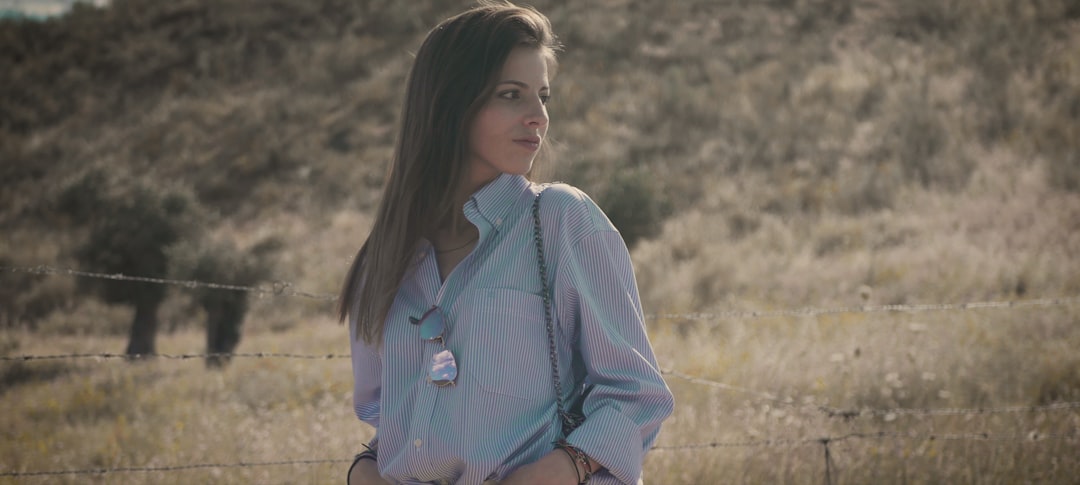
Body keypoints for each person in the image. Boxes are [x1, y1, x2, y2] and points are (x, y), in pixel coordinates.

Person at [338, 2, 674, 484]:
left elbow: (637, 394)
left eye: (543, 96)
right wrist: (364, 471)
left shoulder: (561, 222)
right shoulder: (384, 256)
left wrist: (560, 470)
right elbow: (388, 413)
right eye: (511, 95)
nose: (538, 117)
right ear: (449, 103)